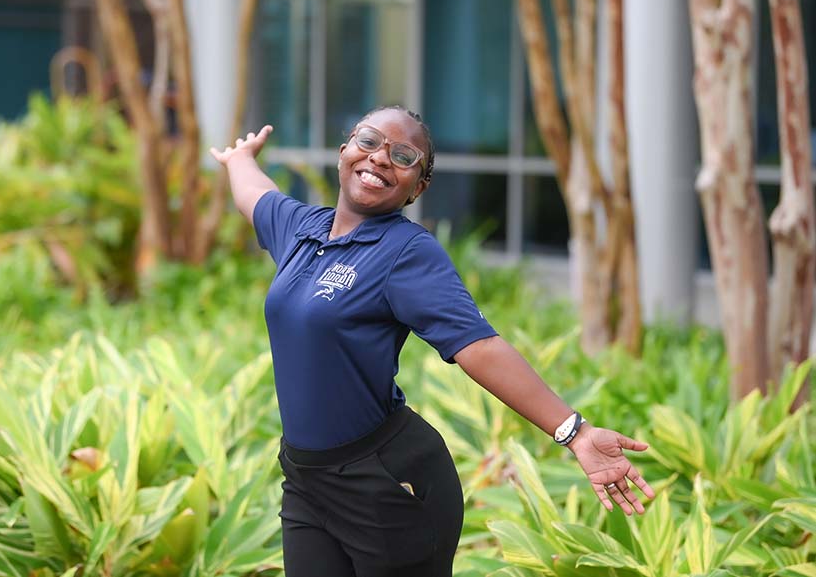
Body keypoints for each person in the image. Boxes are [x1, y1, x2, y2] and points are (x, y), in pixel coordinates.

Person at [210, 106, 655, 577]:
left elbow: (478, 346)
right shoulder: (303, 230)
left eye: (403, 156)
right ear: (344, 152)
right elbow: (256, 194)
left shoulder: (406, 252)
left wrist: (576, 432)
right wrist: (240, 158)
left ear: (417, 188)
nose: (380, 157)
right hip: (306, 479)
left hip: (386, 481)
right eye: (369, 141)